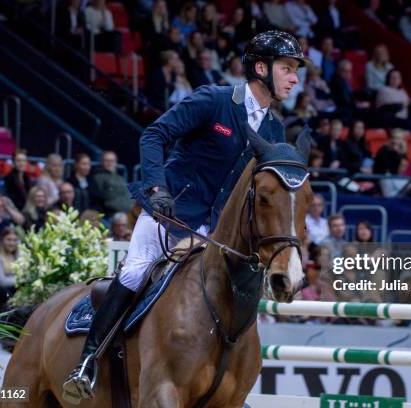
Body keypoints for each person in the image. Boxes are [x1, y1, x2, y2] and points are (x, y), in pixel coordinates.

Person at [63, 30, 308, 401]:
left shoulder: (274, 130)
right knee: (137, 268)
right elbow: (154, 136)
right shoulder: (214, 100)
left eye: (296, 71)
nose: (294, 78)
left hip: (217, 231)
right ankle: (88, 361)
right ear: (261, 68)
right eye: (287, 69)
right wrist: (157, 190)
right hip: (173, 212)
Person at [90, 151, 133, 219]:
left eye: (112, 161)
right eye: (107, 160)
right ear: (102, 162)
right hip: (110, 216)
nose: (109, 163)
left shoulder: (120, 178)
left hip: (125, 215)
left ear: (116, 162)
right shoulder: (98, 177)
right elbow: (100, 199)